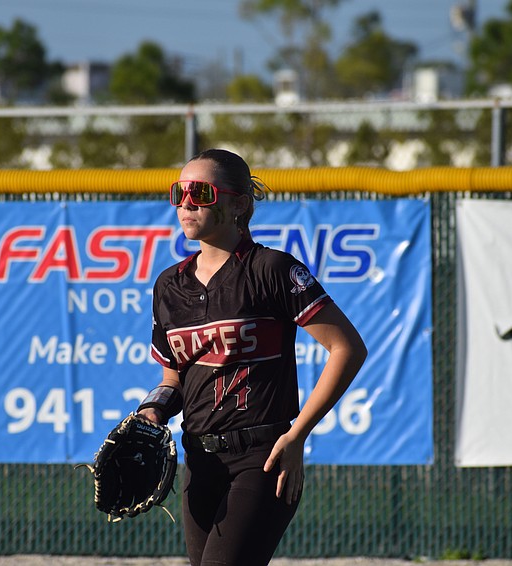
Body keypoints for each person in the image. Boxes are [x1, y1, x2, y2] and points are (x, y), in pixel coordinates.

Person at [137, 148, 367, 566]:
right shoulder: (169, 286)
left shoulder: (270, 269)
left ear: (239, 204)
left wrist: (298, 435)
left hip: (263, 458)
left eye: (201, 192)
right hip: (199, 461)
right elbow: (173, 379)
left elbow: (347, 348)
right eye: (179, 192)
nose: (186, 203)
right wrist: (152, 412)